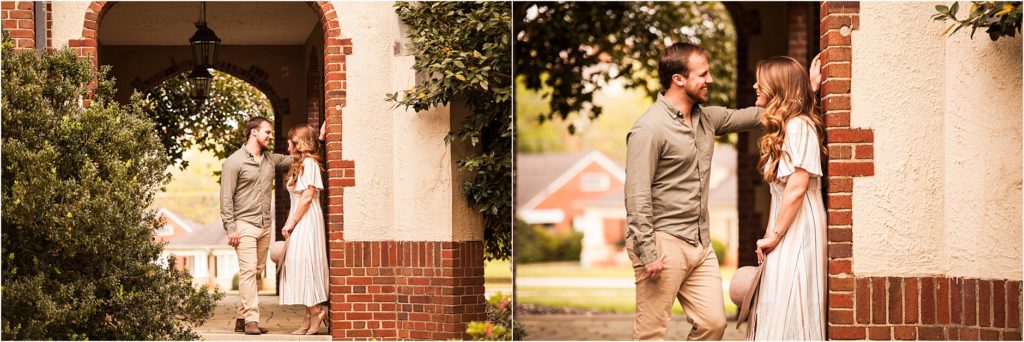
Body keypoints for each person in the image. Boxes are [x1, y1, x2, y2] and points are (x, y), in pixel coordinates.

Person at [624, 42, 821, 340]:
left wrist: (804, 87)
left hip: (700, 244)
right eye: (702, 74)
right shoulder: (648, 129)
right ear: (679, 79)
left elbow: (764, 113)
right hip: (662, 241)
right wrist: (648, 252)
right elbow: (636, 196)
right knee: (651, 332)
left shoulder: (707, 118)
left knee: (713, 324)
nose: (710, 80)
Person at [747, 56, 828, 340]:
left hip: (800, 225)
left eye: (762, 81)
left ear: (778, 88)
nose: (755, 85)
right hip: (786, 225)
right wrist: (770, 234)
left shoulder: (798, 126)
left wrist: (775, 235)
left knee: (796, 302)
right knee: (780, 301)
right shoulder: (787, 126)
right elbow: (780, 193)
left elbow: (797, 187)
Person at [220, 117, 291, 335]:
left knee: (257, 272)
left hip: (265, 225)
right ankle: (252, 320)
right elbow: (226, 197)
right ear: (254, 132)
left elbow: (297, 158)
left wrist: (319, 139)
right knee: (248, 271)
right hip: (244, 225)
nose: (271, 136)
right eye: (267, 132)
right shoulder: (234, 161)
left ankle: (241, 318)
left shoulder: (271, 160)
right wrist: (231, 227)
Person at [278, 124, 330, 335]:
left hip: (308, 220)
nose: (287, 144)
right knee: (298, 264)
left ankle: (316, 312)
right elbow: (297, 199)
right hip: (299, 218)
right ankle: (309, 315)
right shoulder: (300, 164)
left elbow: (307, 197)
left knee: (305, 263)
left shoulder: (309, 164)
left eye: (291, 141)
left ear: (298, 143)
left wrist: (291, 223)